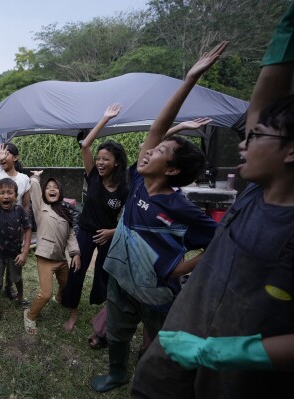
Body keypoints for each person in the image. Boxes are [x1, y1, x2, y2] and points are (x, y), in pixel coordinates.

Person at [132, 8, 294, 398]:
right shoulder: (255, 194)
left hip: (240, 379)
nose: (243, 142)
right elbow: (264, 103)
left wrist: (225, 352)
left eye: (256, 138)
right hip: (179, 346)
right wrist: (283, 37)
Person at [89, 42, 228, 393]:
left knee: (164, 340)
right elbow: (159, 126)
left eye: (161, 151)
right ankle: (117, 374)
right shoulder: (138, 180)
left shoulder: (181, 208)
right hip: (121, 278)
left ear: (173, 169)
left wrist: (179, 269)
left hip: (156, 292)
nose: (150, 150)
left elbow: (221, 243)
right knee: (118, 332)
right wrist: (189, 79)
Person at [60, 104, 129, 337]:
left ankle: (104, 309)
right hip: (86, 231)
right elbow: (86, 144)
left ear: (117, 162)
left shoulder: (125, 187)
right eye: (98, 159)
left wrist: (113, 231)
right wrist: (105, 118)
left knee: (105, 272)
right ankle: (72, 311)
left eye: (105, 159)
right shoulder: (93, 177)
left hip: (109, 234)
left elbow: (131, 217)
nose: (100, 162)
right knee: (77, 269)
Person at [0, 120, 32, 309]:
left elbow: (25, 207)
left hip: (16, 227)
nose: (3, 155)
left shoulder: (25, 179)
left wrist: (23, 230)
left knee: (14, 264)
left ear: (15, 158)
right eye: (2, 153)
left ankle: (10, 287)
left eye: (7, 153)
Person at [23, 171, 80, 335]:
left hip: (61, 259)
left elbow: (70, 235)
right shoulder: (41, 208)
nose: (52, 189)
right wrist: (35, 178)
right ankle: (30, 315)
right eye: (48, 187)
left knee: (66, 286)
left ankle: (60, 298)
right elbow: (34, 191)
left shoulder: (65, 212)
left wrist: (75, 253)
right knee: (45, 294)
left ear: (60, 191)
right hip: (45, 258)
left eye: (55, 187)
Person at [0, 144, 32, 329]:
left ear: (16, 195)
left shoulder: (20, 210)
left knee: (17, 278)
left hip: (15, 253)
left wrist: (25, 252)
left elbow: (28, 229)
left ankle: (21, 297)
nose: (6, 196)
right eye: (2, 192)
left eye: (9, 193)